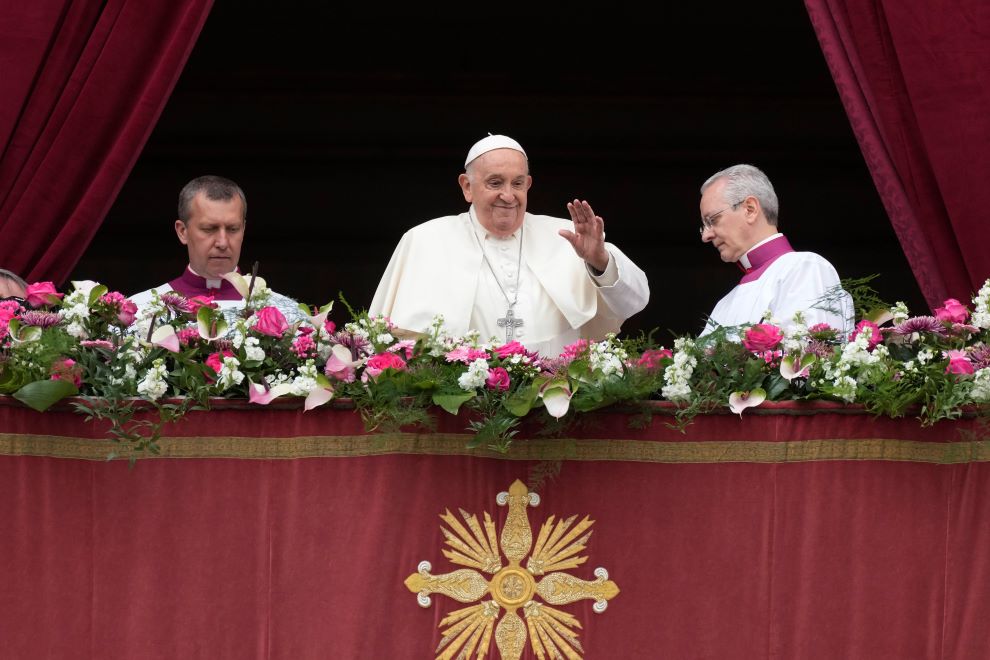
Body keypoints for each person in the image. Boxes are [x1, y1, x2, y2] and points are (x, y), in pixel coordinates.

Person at [368, 134, 650, 356]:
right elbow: (384, 343)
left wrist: (600, 261)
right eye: (495, 183)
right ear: (467, 186)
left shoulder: (568, 237)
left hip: (560, 408)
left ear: (528, 184)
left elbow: (635, 302)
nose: (508, 195)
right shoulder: (424, 241)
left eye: (517, 183)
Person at [698, 164, 854, 336]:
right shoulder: (723, 305)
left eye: (713, 220)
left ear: (750, 209)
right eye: (704, 226)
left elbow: (814, 357)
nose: (706, 235)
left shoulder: (804, 268)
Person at [130, 175, 302, 326]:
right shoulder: (140, 311)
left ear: (243, 229)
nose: (222, 242)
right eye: (209, 229)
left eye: (233, 229)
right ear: (183, 231)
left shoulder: (287, 315)